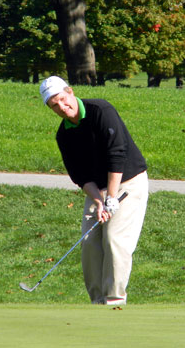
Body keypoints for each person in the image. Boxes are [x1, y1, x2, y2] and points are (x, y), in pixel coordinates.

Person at [39, 76, 148, 306]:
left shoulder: (101, 110)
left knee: (114, 238)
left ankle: (114, 298)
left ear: (70, 92)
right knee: (89, 240)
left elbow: (117, 153)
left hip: (128, 182)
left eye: (61, 99)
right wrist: (99, 202)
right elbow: (80, 176)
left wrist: (111, 197)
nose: (61, 107)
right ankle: (97, 300)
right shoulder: (64, 134)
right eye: (54, 105)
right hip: (98, 190)